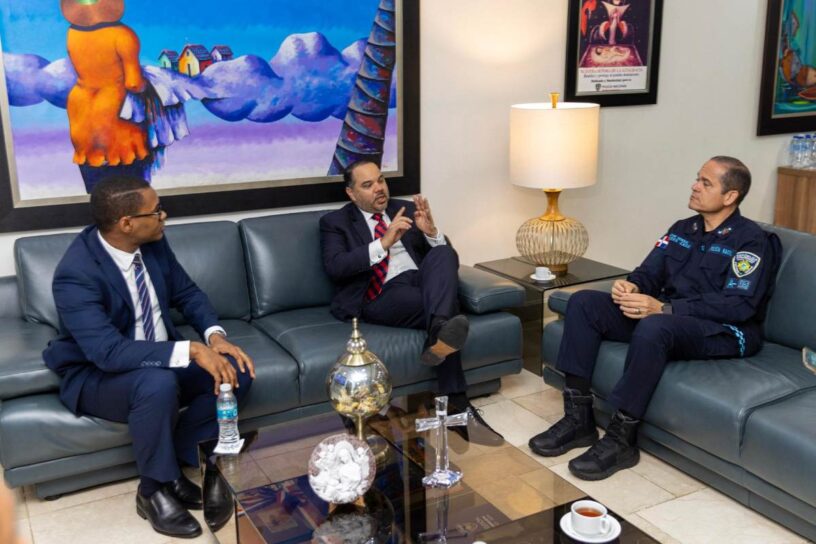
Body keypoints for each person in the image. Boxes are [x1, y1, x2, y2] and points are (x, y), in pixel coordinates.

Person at [528, 156, 781, 481]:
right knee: (584, 303)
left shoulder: (751, 241)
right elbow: (649, 272)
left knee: (654, 325)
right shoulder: (683, 229)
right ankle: (579, 420)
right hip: (669, 319)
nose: (695, 186)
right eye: (697, 178)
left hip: (727, 330)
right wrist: (632, 285)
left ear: (730, 196)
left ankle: (622, 440)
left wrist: (664, 309)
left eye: (706, 183)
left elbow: (738, 305)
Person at [43, 176, 255, 538]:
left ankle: (181, 458)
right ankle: (153, 489)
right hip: (98, 375)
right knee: (157, 383)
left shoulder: (152, 242)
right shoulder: (76, 274)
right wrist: (192, 349)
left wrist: (214, 337)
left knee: (234, 371)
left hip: (157, 361)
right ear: (126, 223)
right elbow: (107, 352)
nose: (163, 216)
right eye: (156, 211)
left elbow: (187, 293)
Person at [319, 160, 502, 446]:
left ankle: (439, 333)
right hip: (381, 293)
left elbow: (444, 263)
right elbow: (336, 267)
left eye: (380, 180)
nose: (379, 188)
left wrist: (431, 233)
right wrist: (383, 242)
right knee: (446, 309)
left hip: (422, 283)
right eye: (368, 185)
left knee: (444, 254)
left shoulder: (403, 209)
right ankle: (457, 403)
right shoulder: (335, 223)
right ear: (351, 193)